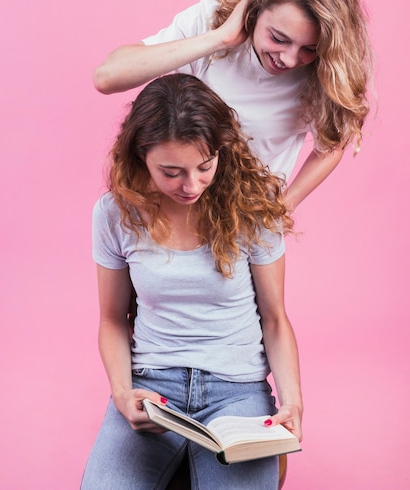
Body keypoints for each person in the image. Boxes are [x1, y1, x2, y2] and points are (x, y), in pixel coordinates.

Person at [80, 74, 302, 489]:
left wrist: (292, 402)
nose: (192, 185)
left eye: (205, 167)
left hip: (237, 392)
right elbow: (112, 318)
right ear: (140, 156)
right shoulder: (114, 214)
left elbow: (275, 319)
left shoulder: (253, 210)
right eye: (171, 171)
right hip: (152, 390)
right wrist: (122, 393)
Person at [93, 0, 373, 212]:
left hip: (242, 222)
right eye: (278, 38)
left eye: (309, 49)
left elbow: (331, 145)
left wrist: (283, 208)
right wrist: (219, 38)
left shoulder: (323, 73)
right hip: (170, 211)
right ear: (257, 7)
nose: (288, 59)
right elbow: (108, 77)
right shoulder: (211, 21)